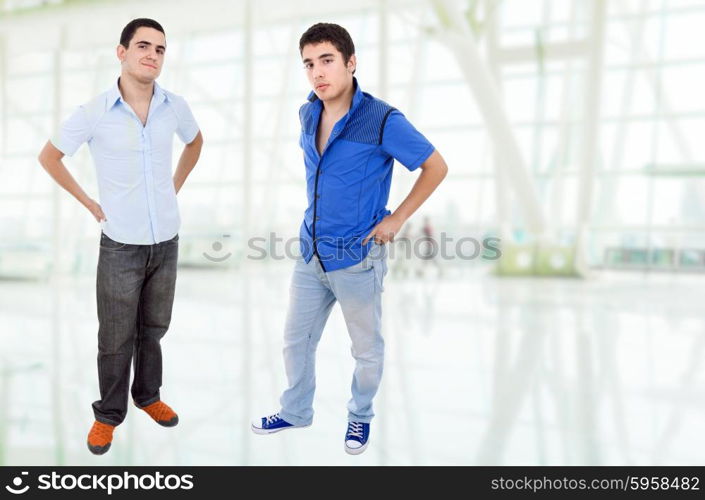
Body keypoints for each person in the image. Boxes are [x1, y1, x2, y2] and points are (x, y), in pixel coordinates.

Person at [251, 23, 447, 455]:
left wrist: (397, 217)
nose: (317, 73)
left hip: (358, 258)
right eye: (308, 64)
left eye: (326, 61)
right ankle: (296, 411)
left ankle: (359, 419)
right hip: (310, 254)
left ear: (350, 63)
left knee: (366, 351)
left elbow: (436, 166)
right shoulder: (307, 113)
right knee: (294, 340)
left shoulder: (382, 119)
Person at [37, 18, 203, 455]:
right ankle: (107, 417)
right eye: (143, 46)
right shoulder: (94, 111)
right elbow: (50, 156)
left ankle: (147, 396)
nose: (152, 54)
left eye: (160, 49)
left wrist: (174, 185)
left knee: (154, 327)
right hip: (121, 244)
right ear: (122, 52)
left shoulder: (174, 105)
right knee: (115, 337)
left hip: (166, 239)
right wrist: (89, 202)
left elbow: (196, 142)